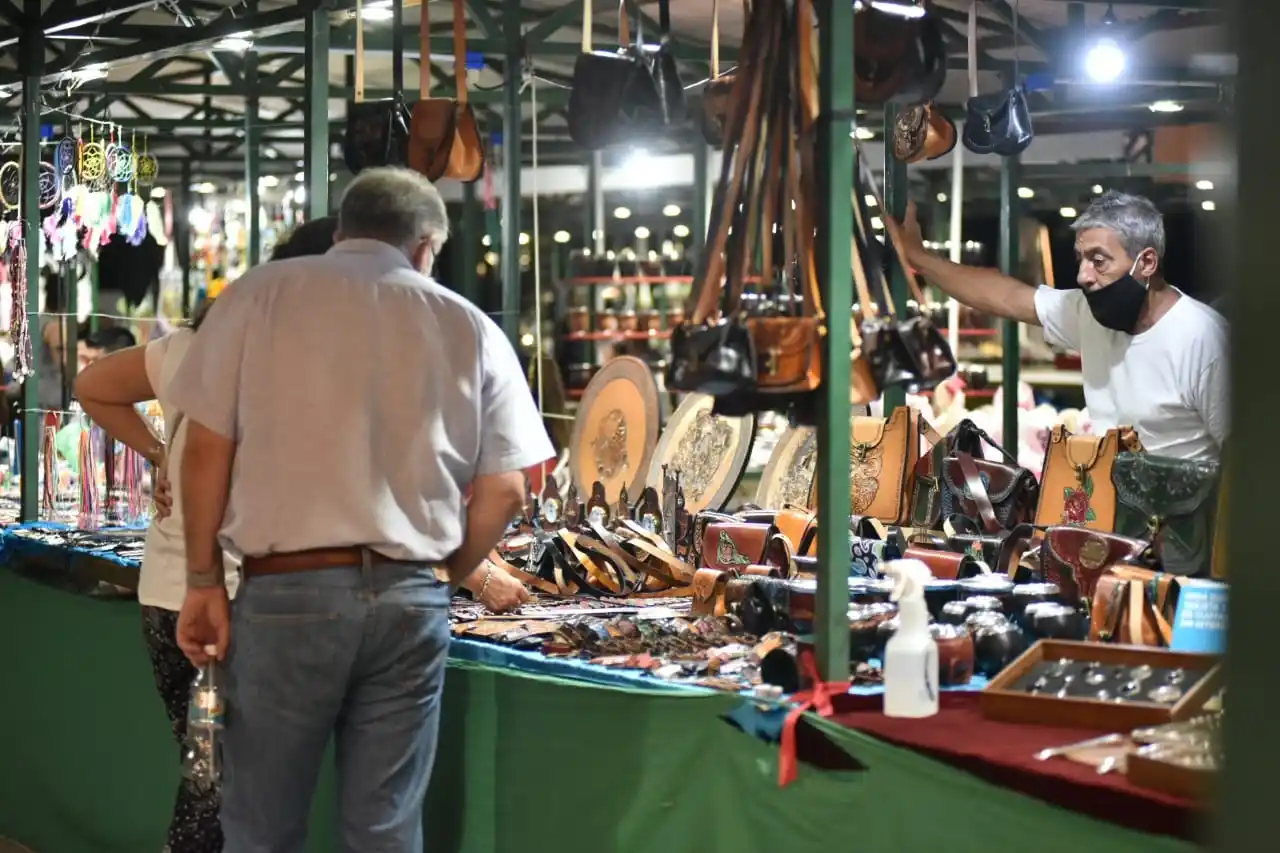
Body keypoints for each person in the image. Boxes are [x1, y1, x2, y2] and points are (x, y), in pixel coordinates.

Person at [170, 167, 554, 852]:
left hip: (288, 589)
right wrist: (447, 570)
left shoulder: (258, 296)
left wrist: (203, 579)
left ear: (341, 230)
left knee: (261, 825)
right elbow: (508, 489)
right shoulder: (466, 323)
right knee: (385, 828)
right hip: (410, 602)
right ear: (426, 245)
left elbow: (204, 454)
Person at [890, 190, 1227, 459]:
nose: (1083, 276)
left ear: (1148, 262)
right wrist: (919, 257)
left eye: (1098, 260)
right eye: (1080, 259)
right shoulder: (1086, 314)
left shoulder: (1204, 340)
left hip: (1188, 532)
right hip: (1117, 525)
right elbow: (1003, 295)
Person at [73, 298, 230, 853]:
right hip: (228, 600)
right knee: (217, 777)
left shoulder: (185, 348)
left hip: (166, 591)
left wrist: (160, 453)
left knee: (205, 766)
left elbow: (91, 384)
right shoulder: (280, 362)